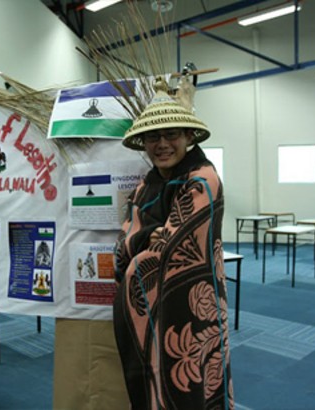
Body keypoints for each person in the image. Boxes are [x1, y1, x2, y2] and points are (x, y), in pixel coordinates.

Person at [112, 77, 234, 409]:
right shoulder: (145, 184)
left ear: (188, 137)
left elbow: (170, 247)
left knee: (189, 380)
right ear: (144, 142)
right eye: (153, 137)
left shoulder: (203, 179)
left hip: (191, 304)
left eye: (171, 135)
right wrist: (139, 239)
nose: (162, 144)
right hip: (148, 311)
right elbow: (126, 241)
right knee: (152, 382)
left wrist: (139, 240)